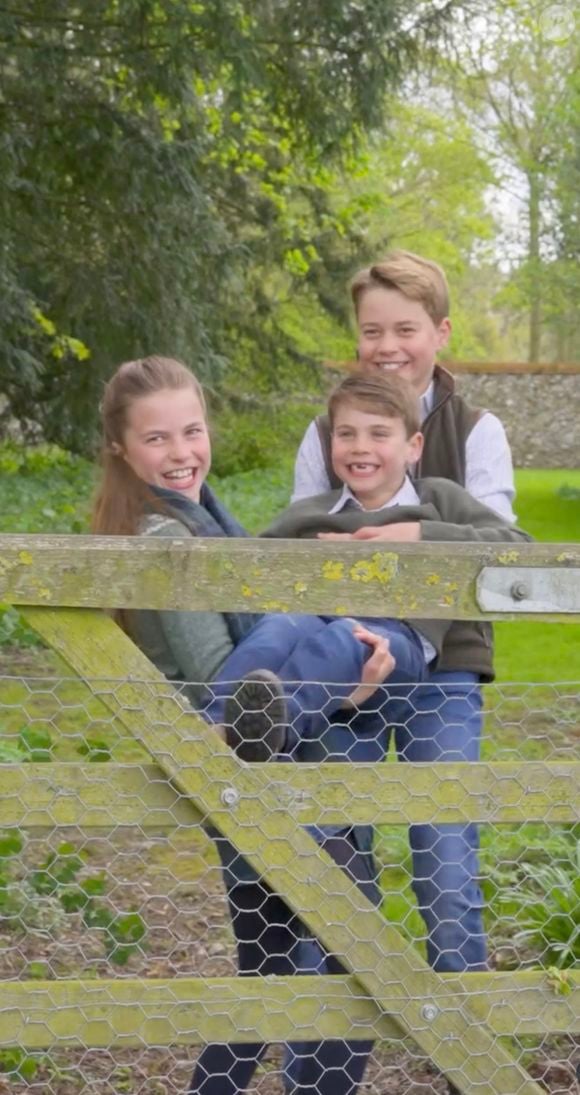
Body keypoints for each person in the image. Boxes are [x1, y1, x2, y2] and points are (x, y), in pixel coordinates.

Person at [91, 354, 433, 1095]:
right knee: (352, 951)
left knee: (270, 972)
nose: (182, 452)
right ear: (120, 447)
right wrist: (322, 645)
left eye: (192, 430)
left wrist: (340, 687)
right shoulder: (164, 542)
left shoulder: (207, 517)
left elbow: (262, 693)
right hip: (255, 777)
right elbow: (227, 683)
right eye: (157, 439)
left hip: (258, 760)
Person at [289, 250, 517, 1093]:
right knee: (334, 862)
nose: (387, 346)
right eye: (372, 330)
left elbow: (505, 550)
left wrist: (419, 537)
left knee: (445, 860)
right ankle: (325, 1073)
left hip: (444, 668)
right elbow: (287, 547)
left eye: (405, 329)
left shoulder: (476, 428)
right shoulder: (326, 431)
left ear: (440, 334)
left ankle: (474, 1069)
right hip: (346, 670)